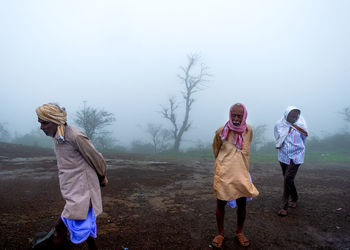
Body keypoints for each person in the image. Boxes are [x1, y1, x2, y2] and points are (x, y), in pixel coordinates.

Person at [34, 103, 108, 249]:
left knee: (69, 222)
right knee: (76, 222)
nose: (42, 127)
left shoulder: (75, 136)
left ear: (56, 120)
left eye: (45, 123)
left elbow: (96, 158)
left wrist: (102, 177)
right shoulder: (58, 136)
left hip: (83, 189)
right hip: (72, 187)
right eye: (40, 123)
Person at [211, 103, 259, 248]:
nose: (236, 118)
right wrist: (224, 163)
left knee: (242, 204)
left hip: (242, 172)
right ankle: (220, 234)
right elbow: (216, 149)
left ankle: (239, 232)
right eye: (233, 115)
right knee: (221, 203)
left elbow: (247, 147)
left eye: (239, 115)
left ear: (244, 116)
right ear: (229, 114)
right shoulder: (221, 131)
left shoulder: (249, 130)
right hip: (224, 171)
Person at [274, 106, 308, 217]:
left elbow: (304, 137)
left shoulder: (300, 125)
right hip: (283, 155)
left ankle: (284, 207)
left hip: (297, 155)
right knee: (287, 178)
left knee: (288, 178)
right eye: (291, 116)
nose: (294, 118)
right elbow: (277, 135)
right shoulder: (279, 124)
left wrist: (297, 147)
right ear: (286, 115)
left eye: (296, 116)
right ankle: (295, 197)